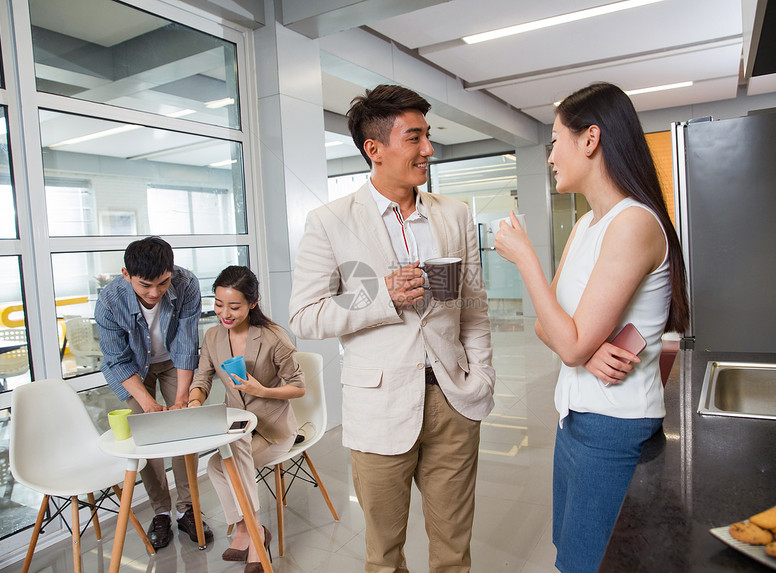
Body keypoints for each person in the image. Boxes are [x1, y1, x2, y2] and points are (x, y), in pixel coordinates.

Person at [289, 84, 495, 573]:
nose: (428, 149)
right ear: (374, 150)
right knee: (383, 554)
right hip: (378, 405)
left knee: (454, 549)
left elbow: (474, 306)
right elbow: (305, 315)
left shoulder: (455, 214)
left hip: (452, 398)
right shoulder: (330, 221)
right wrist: (381, 298)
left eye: (428, 136)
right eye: (415, 138)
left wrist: (481, 376)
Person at [493, 82, 689, 573]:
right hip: (575, 416)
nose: (552, 156)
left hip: (615, 425)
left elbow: (570, 339)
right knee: (573, 554)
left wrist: (527, 262)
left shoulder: (634, 223)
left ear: (590, 139)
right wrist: (582, 347)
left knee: (590, 564)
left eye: (556, 141)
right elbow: (550, 327)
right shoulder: (586, 225)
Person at [95, 236, 212, 549]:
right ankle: (160, 510)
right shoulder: (109, 301)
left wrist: (180, 401)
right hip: (133, 370)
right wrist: (148, 405)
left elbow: (188, 342)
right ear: (126, 274)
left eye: (162, 282)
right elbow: (117, 360)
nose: (155, 292)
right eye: (145, 284)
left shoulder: (186, 283)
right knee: (146, 437)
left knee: (184, 427)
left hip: (175, 361)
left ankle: (188, 509)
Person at [188, 265, 305, 573]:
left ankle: (251, 536)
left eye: (234, 306)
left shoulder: (273, 337)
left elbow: (298, 388)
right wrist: (193, 400)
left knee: (233, 456)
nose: (224, 313)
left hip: (273, 430)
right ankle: (249, 528)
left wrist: (261, 389)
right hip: (240, 428)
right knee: (217, 463)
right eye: (218, 303)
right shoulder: (213, 337)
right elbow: (202, 378)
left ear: (252, 303)